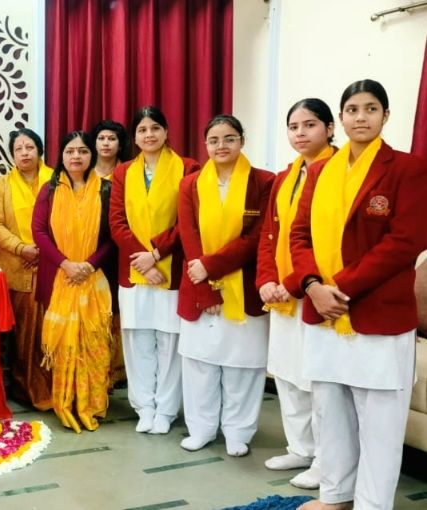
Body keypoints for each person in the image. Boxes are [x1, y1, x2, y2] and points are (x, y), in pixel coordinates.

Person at [292, 80, 427, 510]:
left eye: (371, 109)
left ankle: (372, 505)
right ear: (341, 118)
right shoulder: (319, 172)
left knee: (380, 424)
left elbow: (405, 242)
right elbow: (299, 235)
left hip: (378, 314)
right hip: (324, 312)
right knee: (330, 412)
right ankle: (336, 497)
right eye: (352, 109)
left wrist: (339, 288)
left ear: (386, 115)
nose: (361, 117)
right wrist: (312, 286)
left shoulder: (407, 168)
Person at [176, 114, 273, 456]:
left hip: (244, 286)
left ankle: (238, 432)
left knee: (242, 365)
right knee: (199, 363)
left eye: (230, 138)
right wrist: (206, 287)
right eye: (214, 140)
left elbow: (257, 237)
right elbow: (189, 236)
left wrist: (212, 266)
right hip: (198, 284)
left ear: (242, 141)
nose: (222, 146)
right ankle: (201, 428)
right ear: (205, 144)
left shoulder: (264, 182)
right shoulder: (190, 185)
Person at [256, 98, 337, 491]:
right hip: (281, 293)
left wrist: (290, 283)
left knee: (317, 380)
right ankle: (301, 448)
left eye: (310, 125)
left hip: (316, 291)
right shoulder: (285, 176)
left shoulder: (338, 171)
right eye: (293, 126)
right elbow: (270, 236)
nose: (300, 133)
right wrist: (266, 280)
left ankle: (327, 460)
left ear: (330, 129)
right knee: (287, 374)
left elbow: (326, 240)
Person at [109, 106, 199, 434]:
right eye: (142, 130)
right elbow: (117, 222)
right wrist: (143, 262)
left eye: (155, 128)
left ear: (166, 132)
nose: (149, 135)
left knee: (169, 342)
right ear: (134, 138)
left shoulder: (188, 168)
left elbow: (187, 221)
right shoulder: (123, 173)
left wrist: (157, 254)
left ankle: (166, 410)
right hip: (133, 272)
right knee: (138, 341)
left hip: (171, 268)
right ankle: (144, 407)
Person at [33, 130, 114, 433]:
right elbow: (39, 232)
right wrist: (66, 264)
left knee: (95, 344)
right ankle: (66, 402)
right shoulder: (50, 190)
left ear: (92, 155)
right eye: (70, 151)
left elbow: (112, 236)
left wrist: (89, 265)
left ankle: (92, 403)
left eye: (82, 151)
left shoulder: (106, 189)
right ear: (61, 156)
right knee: (65, 346)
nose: (76, 156)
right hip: (61, 277)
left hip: (94, 279)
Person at [0, 128, 54, 410]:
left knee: (51, 332)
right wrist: (21, 248)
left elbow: (69, 220)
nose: (24, 153)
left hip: (53, 266)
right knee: (23, 336)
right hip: (16, 268)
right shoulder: (3, 185)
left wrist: (44, 251)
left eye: (29, 147)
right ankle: (26, 390)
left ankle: (55, 389)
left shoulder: (57, 180)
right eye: (18, 149)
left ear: (39, 150)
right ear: (12, 155)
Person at [90, 119, 129, 389]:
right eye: (101, 138)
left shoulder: (126, 173)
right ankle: (95, 368)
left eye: (111, 139)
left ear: (120, 144)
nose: (106, 143)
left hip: (118, 249)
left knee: (115, 308)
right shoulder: (85, 172)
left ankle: (116, 371)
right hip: (88, 249)